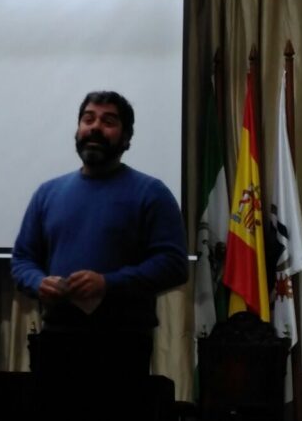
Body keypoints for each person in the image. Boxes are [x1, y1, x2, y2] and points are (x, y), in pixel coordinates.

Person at [11, 91, 188, 378]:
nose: (95, 127)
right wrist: (38, 282)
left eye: (108, 121)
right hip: (56, 338)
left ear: (127, 138)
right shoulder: (47, 193)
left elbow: (174, 265)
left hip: (123, 343)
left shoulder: (152, 193)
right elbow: (22, 260)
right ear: (78, 130)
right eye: (88, 119)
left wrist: (108, 284)